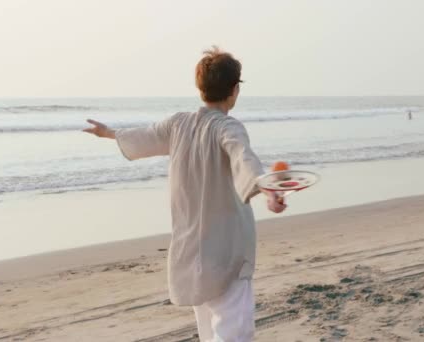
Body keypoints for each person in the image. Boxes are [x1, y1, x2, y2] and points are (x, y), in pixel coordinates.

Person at [83, 47, 286, 341]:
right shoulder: (228, 127)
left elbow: (145, 136)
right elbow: (243, 157)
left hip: (191, 251)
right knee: (235, 332)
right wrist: (267, 190)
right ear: (234, 90)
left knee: (209, 330)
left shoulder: (178, 124)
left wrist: (110, 133)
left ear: (200, 87)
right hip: (226, 251)